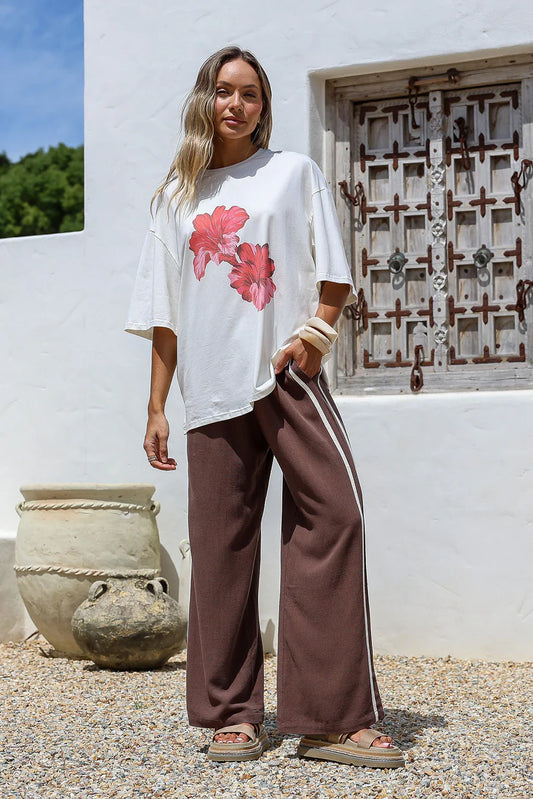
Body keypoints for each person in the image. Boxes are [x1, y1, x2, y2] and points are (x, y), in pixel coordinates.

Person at [125, 45, 404, 768]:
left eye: (249, 93)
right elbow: (165, 315)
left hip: (285, 377)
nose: (236, 104)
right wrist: (156, 405)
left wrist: (314, 337)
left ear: (263, 105)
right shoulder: (173, 200)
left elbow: (333, 271)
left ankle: (328, 717)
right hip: (210, 388)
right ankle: (230, 714)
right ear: (204, 99)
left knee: (334, 513)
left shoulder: (291, 173)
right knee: (220, 551)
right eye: (224, 91)